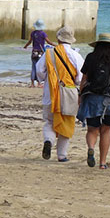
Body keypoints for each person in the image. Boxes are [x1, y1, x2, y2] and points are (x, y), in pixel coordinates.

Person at [77, 33, 110, 170]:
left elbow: (84, 79)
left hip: (92, 98)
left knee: (92, 129)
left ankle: (91, 148)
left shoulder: (91, 57)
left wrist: (80, 95)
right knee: (105, 131)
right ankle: (102, 163)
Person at [35, 26, 84, 162]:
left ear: (58, 38)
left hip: (50, 93)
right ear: (71, 40)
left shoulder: (49, 53)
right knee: (67, 122)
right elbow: (80, 77)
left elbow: (39, 70)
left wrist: (49, 78)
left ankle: (49, 141)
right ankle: (62, 155)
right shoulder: (76, 55)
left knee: (49, 121)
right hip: (69, 93)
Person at [23, 19, 55, 87]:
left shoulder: (33, 33)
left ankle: (32, 84)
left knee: (33, 67)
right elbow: (49, 42)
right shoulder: (43, 34)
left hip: (34, 52)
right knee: (39, 68)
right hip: (40, 52)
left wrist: (25, 46)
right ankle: (39, 83)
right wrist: (56, 45)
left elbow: (29, 42)